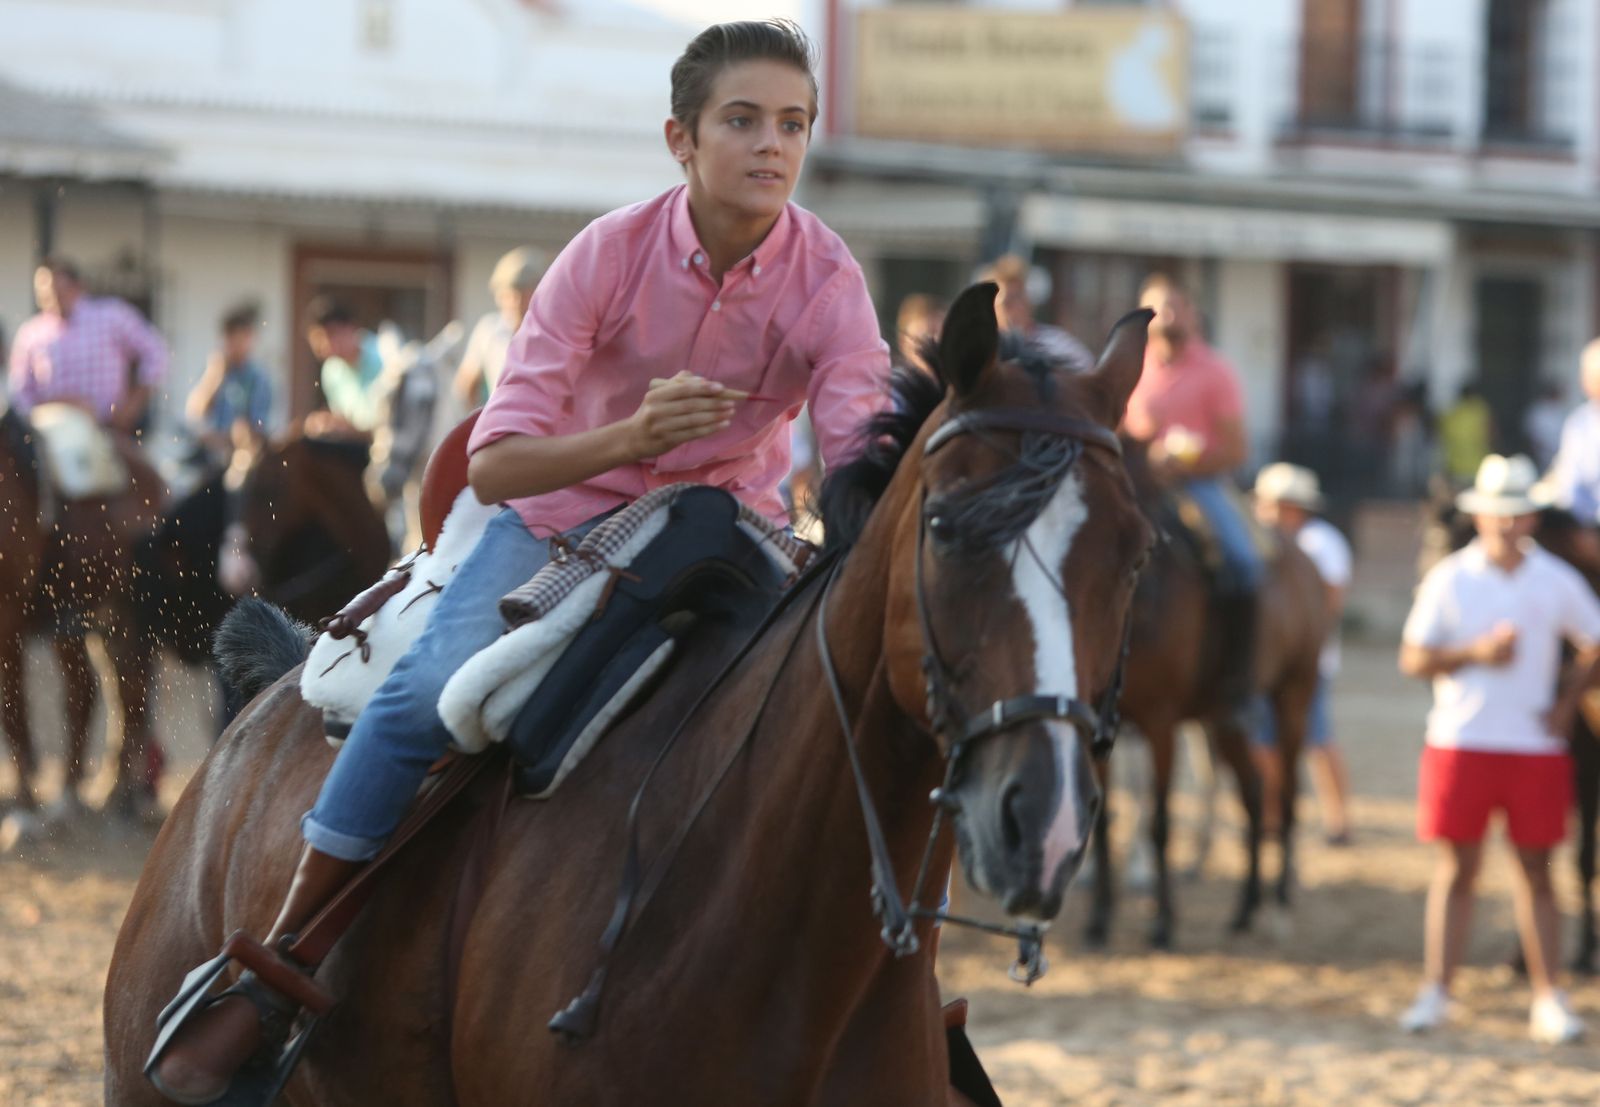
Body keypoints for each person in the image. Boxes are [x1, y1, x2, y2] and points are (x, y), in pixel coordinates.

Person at [149, 20, 891, 1102]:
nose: (770, 146)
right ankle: (274, 965)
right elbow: (496, 464)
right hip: (557, 521)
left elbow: (860, 431)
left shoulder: (828, 273)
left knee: (849, 723)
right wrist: (632, 439)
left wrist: (871, 499)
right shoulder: (604, 253)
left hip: (734, 531)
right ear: (681, 139)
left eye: (793, 124)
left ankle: (892, 1009)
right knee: (421, 704)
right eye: (742, 120)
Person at [1398, 453, 1600, 1043]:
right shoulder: (1451, 577)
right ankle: (1437, 988)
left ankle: (1548, 994)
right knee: (1456, 868)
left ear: (1532, 519)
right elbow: (1412, 657)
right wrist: (1473, 655)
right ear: (1479, 516)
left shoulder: (1555, 580)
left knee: (1537, 870)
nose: (1506, 524)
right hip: (1461, 740)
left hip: (1532, 746)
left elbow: (1593, 640)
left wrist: (1565, 706)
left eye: (1516, 514)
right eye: (1497, 513)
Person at [1123, 271, 1261, 720]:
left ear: (1192, 313)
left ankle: (1237, 681)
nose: (1165, 315)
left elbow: (1236, 450)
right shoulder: (1132, 367)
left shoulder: (1214, 370)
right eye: (1155, 307)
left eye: (1174, 305)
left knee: (1243, 561)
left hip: (1198, 485)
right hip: (1137, 483)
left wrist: (1186, 462)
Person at [1251, 463, 1353, 845]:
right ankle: (1272, 819)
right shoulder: (1265, 541)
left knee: (1318, 741)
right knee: (1266, 743)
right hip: (1270, 662)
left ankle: (1339, 819)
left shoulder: (1321, 543)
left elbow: (1330, 604)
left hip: (1307, 664)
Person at [8, 256, 168, 435]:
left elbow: (155, 353)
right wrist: (54, 408)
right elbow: (20, 392)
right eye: (45, 295)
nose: (53, 300)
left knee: (135, 462)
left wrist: (133, 404)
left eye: (59, 291)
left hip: (108, 429)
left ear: (78, 287)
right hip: (50, 434)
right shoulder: (31, 333)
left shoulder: (111, 316)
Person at [452, 246, 548, 411]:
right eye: (510, 295)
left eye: (524, 294)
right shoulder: (490, 330)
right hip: (501, 419)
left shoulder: (550, 331)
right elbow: (466, 383)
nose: (516, 302)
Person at [184, 302, 274, 465]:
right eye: (230, 338)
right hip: (208, 455)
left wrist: (224, 439)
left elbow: (256, 429)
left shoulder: (258, 378)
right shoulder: (216, 369)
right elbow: (195, 413)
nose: (234, 345)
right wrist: (214, 378)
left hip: (242, 459)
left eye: (240, 338)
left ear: (250, 338)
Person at [982, 254, 1092, 373]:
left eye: (1019, 297)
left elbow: (1089, 376)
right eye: (1007, 302)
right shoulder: (983, 351)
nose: (1016, 308)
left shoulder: (1059, 344)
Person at [304, 297, 385, 433]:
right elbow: (345, 419)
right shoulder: (331, 371)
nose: (326, 344)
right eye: (319, 339)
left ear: (351, 327)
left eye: (331, 334)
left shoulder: (384, 355)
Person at [1436, 382, 1493, 487]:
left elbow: (1440, 438)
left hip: (1454, 468)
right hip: (1477, 468)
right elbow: (1490, 435)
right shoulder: (1479, 410)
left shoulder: (1451, 414)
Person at [1525, 378, 1566, 474]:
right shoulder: (1537, 412)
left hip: (1560, 459)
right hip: (1541, 460)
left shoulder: (1560, 411)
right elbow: (1532, 438)